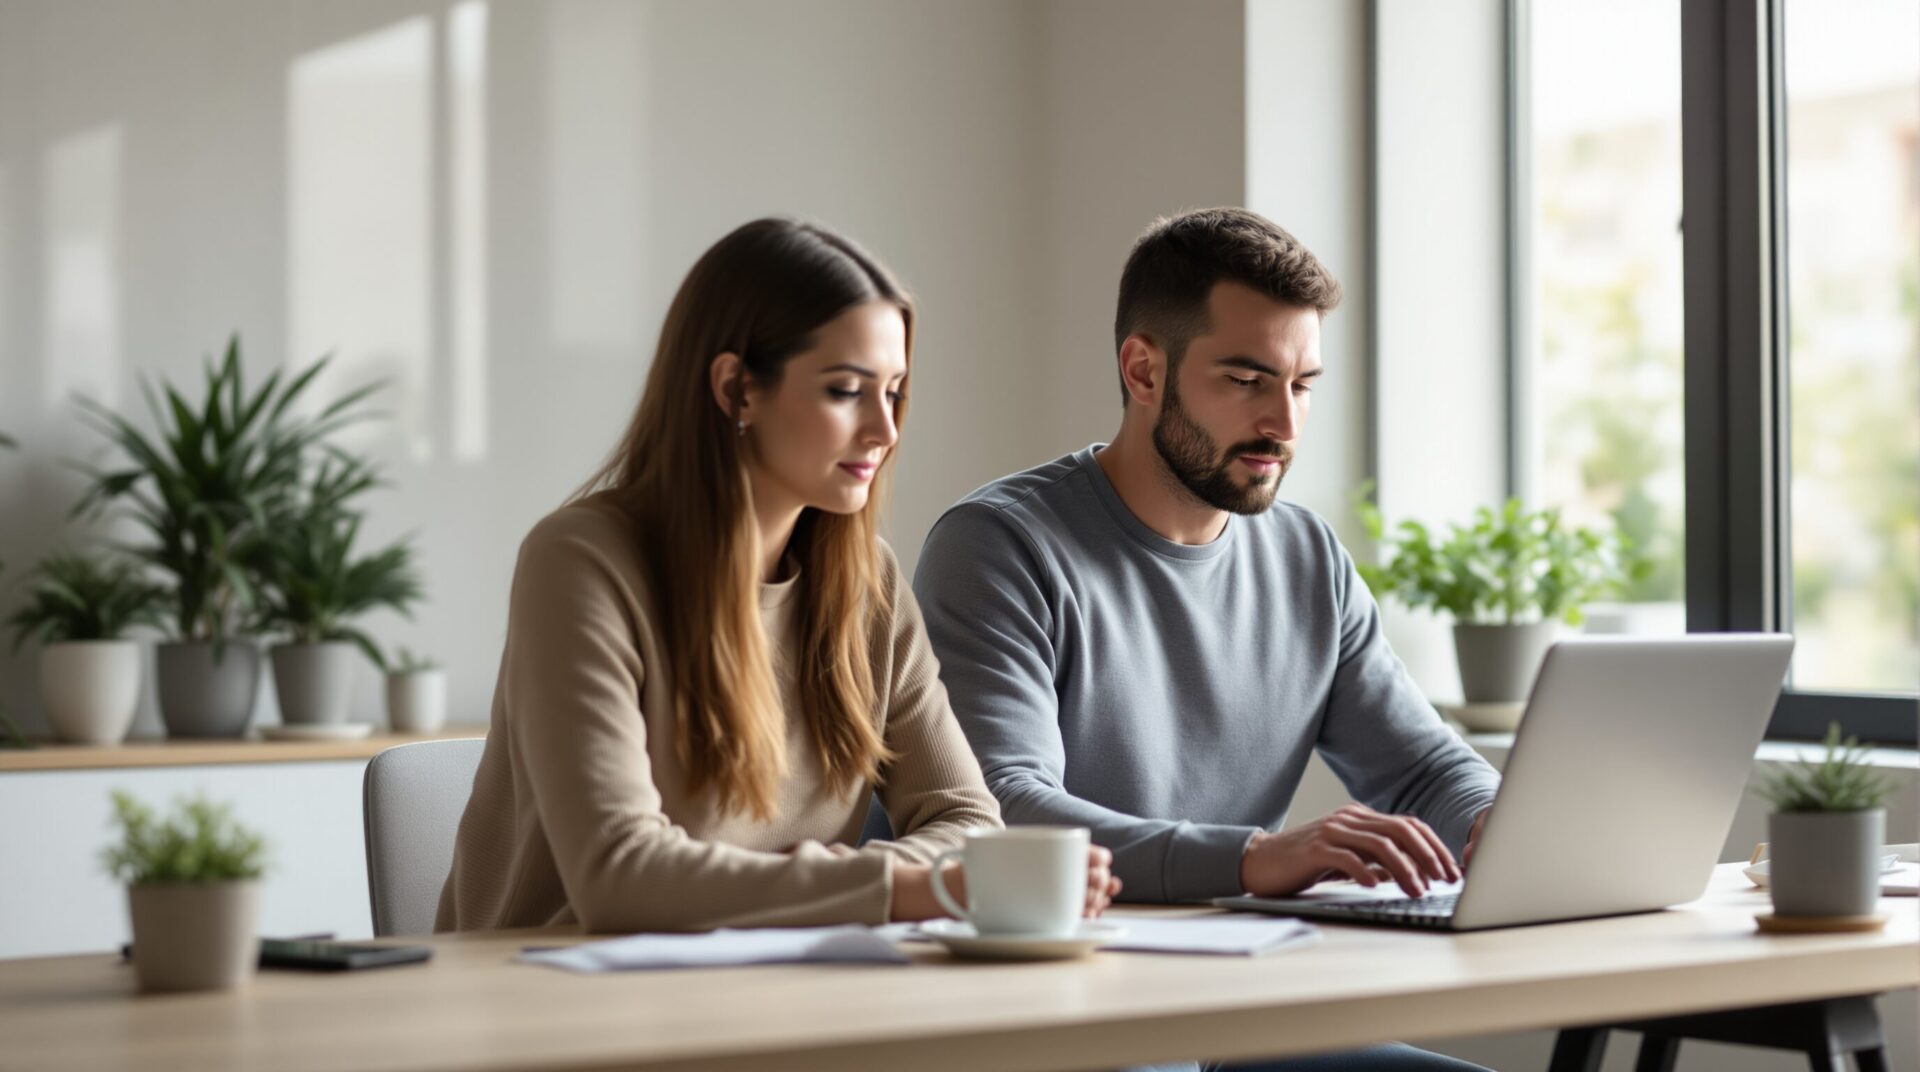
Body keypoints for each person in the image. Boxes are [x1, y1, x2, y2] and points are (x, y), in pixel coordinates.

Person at [913, 208, 1498, 1071]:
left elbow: (1419, 769)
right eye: (1247, 380)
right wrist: (1255, 859)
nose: (1285, 426)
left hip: (1230, 1011)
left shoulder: (1307, 557)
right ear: (1143, 369)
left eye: (1301, 385)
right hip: (1053, 1019)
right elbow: (1005, 808)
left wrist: (1494, 823)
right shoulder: (998, 545)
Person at [438, 217, 1117, 934]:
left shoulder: (868, 584)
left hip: (776, 993)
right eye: (846, 390)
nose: (884, 431)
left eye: (894, 392)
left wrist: (849, 883)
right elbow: (619, 876)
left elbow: (967, 817)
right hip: (558, 1011)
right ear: (736, 390)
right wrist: (907, 885)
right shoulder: (581, 563)